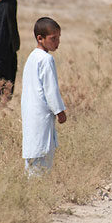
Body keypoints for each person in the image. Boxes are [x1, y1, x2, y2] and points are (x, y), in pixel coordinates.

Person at [21, 17, 67, 177]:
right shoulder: (46, 59)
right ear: (40, 38)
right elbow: (51, 90)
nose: (57, 42)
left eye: (58, 38)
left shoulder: (32, 57)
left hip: (31, 116)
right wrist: (60, 111)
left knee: (33, 157)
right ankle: (36, 196)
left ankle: (33, 194)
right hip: (40, 117)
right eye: (53, 38)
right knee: (42, 157)